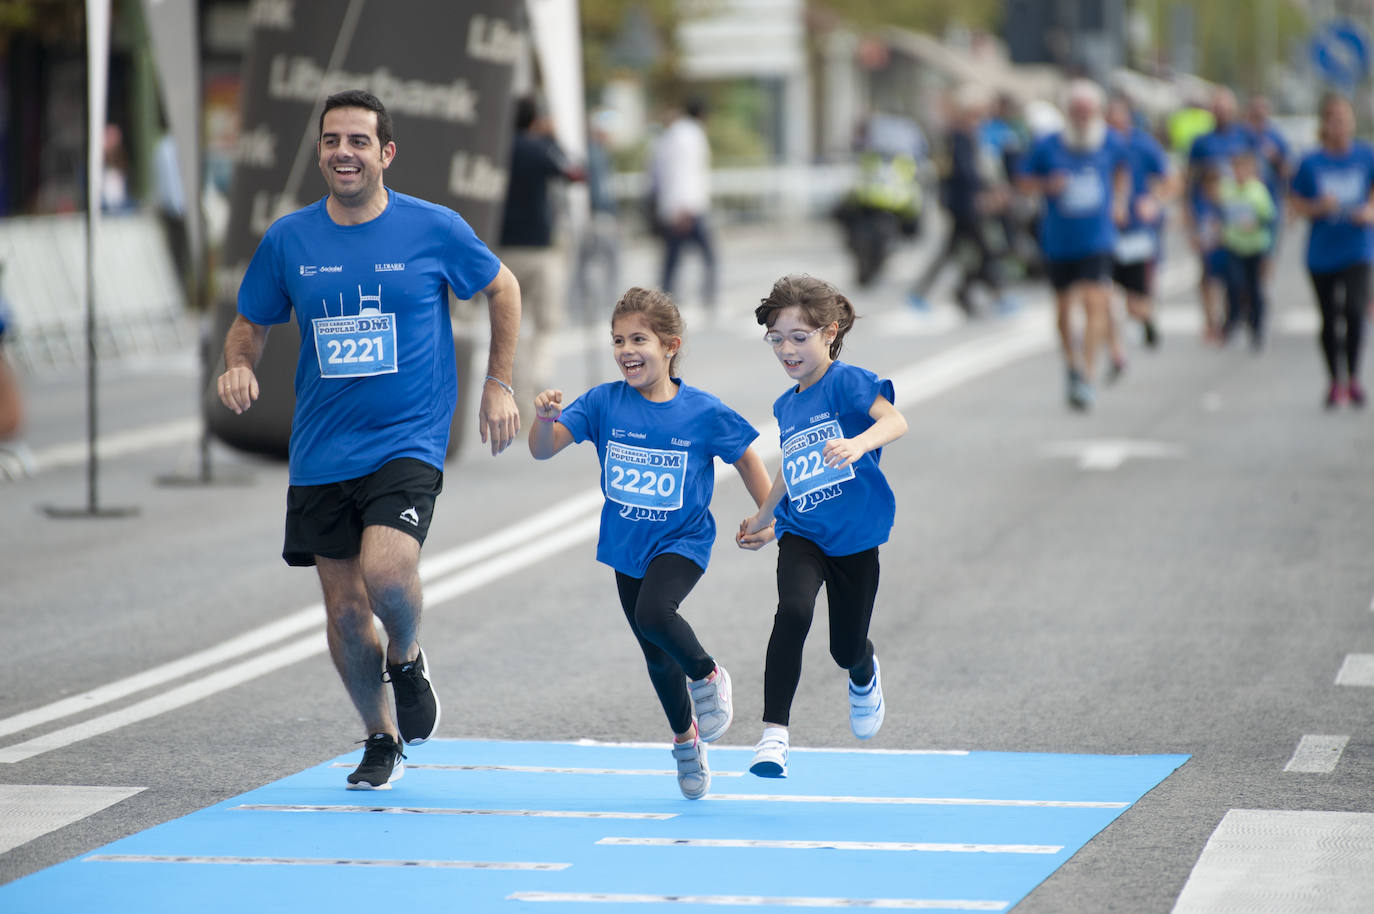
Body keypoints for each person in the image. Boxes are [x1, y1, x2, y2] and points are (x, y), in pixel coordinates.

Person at [218, 89, 523, 790]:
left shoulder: (434, 229)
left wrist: (498, 381)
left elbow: (502, 288)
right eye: (332, 141)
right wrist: (237, 364)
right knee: (348, 615)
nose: (343, 153)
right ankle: (379, 736)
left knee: (386, 574)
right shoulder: (290, 239)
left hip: (407, 440)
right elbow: (251, 320)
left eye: (358, 141)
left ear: (385, 153)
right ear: (320, 152)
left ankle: (408, 655)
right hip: (323, 450)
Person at [529, 286, 773, 799]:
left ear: (670, 345)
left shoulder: (701, 411)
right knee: (656, 654)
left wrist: (768, 515)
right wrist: (545, 418)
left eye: (639, 339)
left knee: (654, 615)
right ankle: (687, 742)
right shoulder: (602, 402)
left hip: (682, 541)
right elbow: (544, 450)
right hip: (626, 546)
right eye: (618, 340)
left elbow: (746, 457)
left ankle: (708, 677)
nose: (626, 351)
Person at [737, 274, 908, 778]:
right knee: (792, 611)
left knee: (844, 647)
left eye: (798, 337)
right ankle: (773, 737)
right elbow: (793, 468)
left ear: (829, 333)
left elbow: (896, 421)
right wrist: (766, 520)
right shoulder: (786, 406)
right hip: (803, 531)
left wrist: (859, 444)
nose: (786, 349)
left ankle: (863, 672)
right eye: (776, 339)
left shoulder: (849, 382)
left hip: (854, 535)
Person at [1018, 79, 1129, 410]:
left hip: (1098, 237)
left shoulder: (1111, 141)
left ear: (1097, 112)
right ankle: (1072, 364)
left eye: (1088, 111)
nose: (1082, 117)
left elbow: (1123, 169)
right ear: (1068, 113)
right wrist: (1046, 185)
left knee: (1096, 302)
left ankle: (1088, 373)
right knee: (1065, 308)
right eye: (1076, 111)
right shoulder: (1048, 145)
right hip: (1060, 240)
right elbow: (1023, 182)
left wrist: (1120, 201)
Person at [498, 94, 584, 412]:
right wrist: (554, 138)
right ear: (537, 119)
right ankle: (538, 378)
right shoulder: (539, 148)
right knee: (546, 323)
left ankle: (518, 395)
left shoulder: (497, 149)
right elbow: (576, 173)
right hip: (541, 248)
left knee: (513, 326)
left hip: (503, 248)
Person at [1289, 92, 1374, 409]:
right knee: (1328, 319)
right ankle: (1334, 380)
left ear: (1352, 122)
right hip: (1322, 252)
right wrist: (1316, 206)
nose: (1339, 125)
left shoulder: (1366, 156)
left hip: (1358, 248)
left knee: (1354, 311)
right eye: (1333, 120)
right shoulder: (1311, 162)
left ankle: (1353, 377)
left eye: (1344, 119)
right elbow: (1294, 202)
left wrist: (1369, 210)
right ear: (1324, 125)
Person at [909, 84, 1015, 316]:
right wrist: (986, 192)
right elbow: (965, 172)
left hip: (967, 203)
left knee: (957, 250)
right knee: (984, 249)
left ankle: (949, 293)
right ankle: (998, 294)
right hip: (965, 204)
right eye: (977, 113)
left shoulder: (969, 136)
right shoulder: (958, 137)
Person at [1105, 94, 1174, 353]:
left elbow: (1170, 179)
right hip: (1104, 232)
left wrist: (1153, 201)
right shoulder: (1098, 144)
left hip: (1137, 231)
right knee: (1103, 291)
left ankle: (1146, 320)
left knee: (1136, 296)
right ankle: (1115, 350)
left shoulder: (1143, 145)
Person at [1187, 88, 1251, 343]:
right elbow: (1191, 177)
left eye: (1226, 107)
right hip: (1209, 211)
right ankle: (1210, 319)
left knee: (1236, 267)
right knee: (1208, 267)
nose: (1222, 112)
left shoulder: (1243, 137)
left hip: (1237, 210)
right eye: (1217, 107)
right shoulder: (1201, 142)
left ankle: (1234, 314)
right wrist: (1189, 213)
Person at [650, 97, 717, 314]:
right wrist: (683, 206)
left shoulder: (672, 135)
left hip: (673, 206)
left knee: (672, 258)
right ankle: (707, 296)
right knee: (707, 256)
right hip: (687, 207)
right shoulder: (690, 135)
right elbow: (683, 174)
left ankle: (664, 300)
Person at [1218, 149, 1276, 350]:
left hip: (1255, 245)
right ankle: (1233, 320)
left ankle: (1257, 327)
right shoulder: (1227, 189)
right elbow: (1221, 212)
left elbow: (1269, 216)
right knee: (1235, 284)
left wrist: (1256, 223)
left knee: (1255, 288)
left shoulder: (1257, 191)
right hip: (1235, 244)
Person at [572, 109, 622, 327]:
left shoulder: (591, 152)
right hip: (599, 214)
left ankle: (582, 304)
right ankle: (601, 305)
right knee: (607, 260)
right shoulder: (596, 154)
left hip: (592, 214)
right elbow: (601, 189)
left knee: (585, 262)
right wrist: (607, 211)